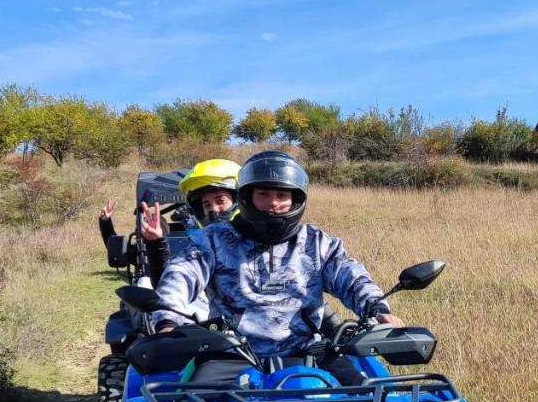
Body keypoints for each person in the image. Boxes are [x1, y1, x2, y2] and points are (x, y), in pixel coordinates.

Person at [149, 150, 404, 386]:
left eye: (282, 195)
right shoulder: (212, 240)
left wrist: (377, 309)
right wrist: (169, 320)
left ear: (296, 199)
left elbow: (349, 276)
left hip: (308, 349)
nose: (273, 203)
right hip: (230, 350)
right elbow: (181, 275)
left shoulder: (316, 242)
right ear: (246, 196)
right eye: (264, 194)